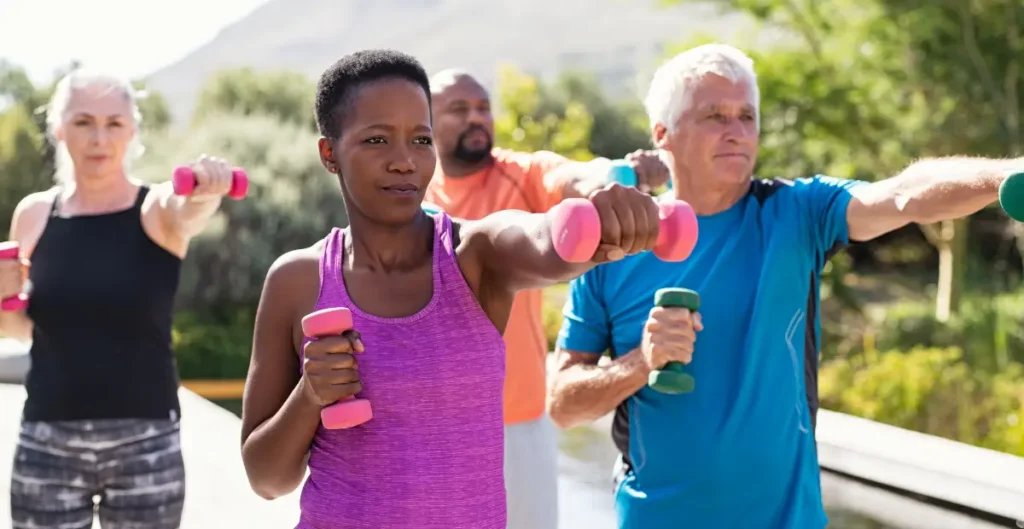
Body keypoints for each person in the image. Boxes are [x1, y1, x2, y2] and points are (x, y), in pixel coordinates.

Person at [547, 43, 1018, 529]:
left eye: (746, 116)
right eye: (714, 116)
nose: (736, 133)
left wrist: (1004, 174)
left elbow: (902, 194)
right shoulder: (615, 247)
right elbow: (562, 405)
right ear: (663, 134)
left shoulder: (797, 212)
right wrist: (640, 362)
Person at [238, 49, 660, 529]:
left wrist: (603, 224)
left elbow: (544, 243)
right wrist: (310, 395)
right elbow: (266, 479)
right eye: (377, 139)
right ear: (329, 153)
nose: (404, 162)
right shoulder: (297, 280)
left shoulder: (475, 255)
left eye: (421, 139)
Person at [423, 68, 669, 529]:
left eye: (483, 107)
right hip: (429, 424)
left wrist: (623, 174)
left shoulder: (522, 174)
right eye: (459, 110)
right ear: (427, 121)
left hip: (516, 420)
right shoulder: (413, 190)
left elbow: (578, 176)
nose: (477, 118)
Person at [0, 69, 239, 529]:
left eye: (114, 124)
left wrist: (207, 191)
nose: (99, 138)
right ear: (58, 129)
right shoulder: (33, 214)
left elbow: (187, 208)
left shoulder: (154, 210)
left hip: (145, 441)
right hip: (48, 436)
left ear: (132, 132)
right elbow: (21, 329)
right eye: (84, 122)